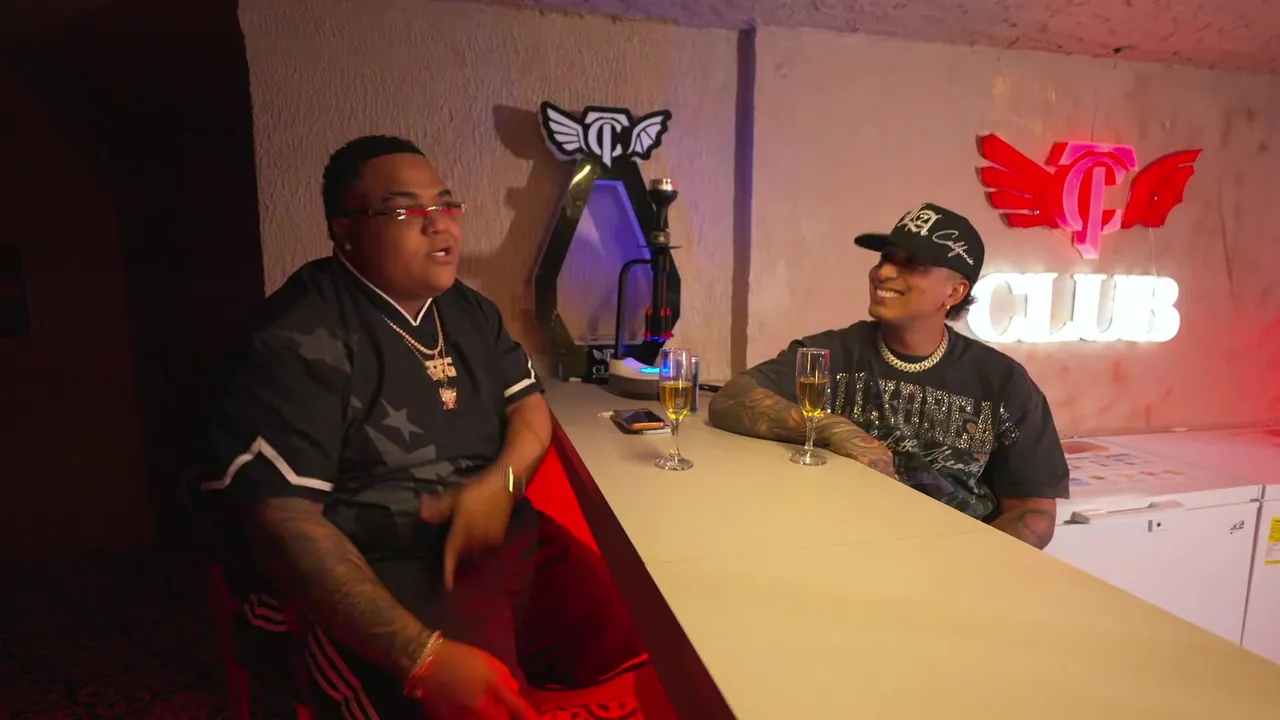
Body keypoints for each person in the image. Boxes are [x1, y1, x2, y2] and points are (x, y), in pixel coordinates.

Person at [198, 135, 649, 719]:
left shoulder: (469, 311)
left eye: (446, 204)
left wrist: (503, 484)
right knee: (467, 700)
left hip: (495, 530)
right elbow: (282, 522)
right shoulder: (292, 338)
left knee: (637, 634)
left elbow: (529, 409)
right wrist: (422, 657)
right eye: (404, 210)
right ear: (345, 231)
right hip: (377, 555)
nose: (439, 225)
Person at [708, 202, 1069, 549]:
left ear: (955, 291)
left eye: (912, 264)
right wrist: (835, 429)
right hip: (837, 548)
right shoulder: (832, 353)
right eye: (885, 258)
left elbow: (1033, 513)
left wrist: (969, 565)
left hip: (951, 560)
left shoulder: (1003, 382)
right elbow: (732, 398)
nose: (883, 273)